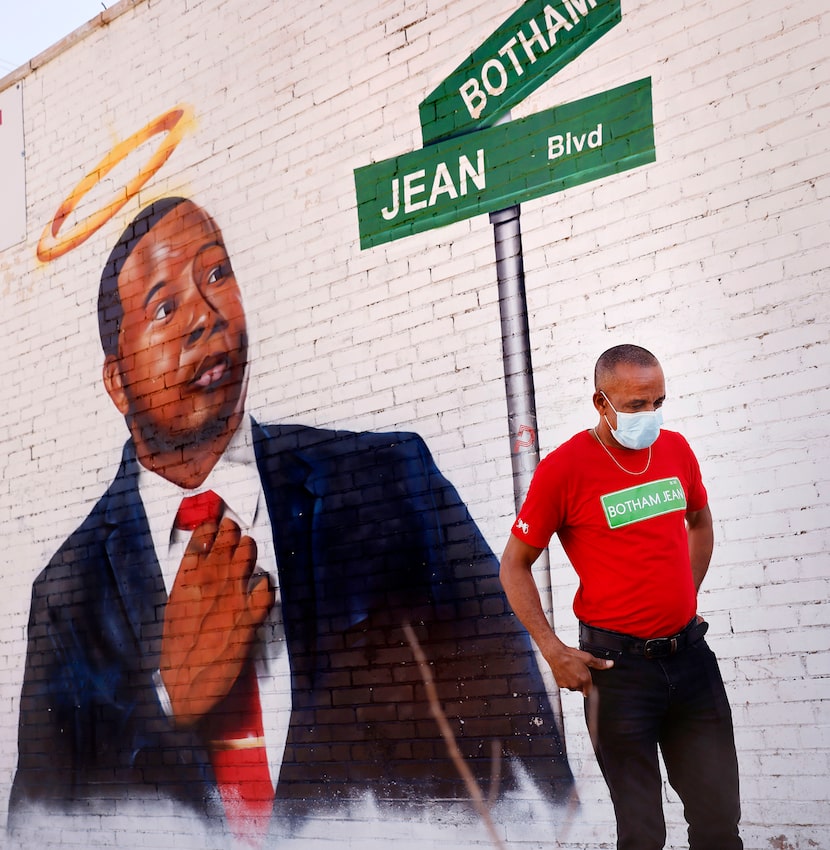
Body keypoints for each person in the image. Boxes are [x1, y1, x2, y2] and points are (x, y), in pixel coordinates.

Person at [10, 197, 572, 841]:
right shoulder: (66, 594)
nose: (204, 314)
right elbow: (43, 826)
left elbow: (523, 735)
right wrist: (168, 701)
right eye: (164, 307)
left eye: (217, 274)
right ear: (117, 382)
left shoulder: (393, 481)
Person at [499, 344, 742, 850]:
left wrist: (682, 595)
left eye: (657, 402)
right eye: (635, 406)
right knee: (642, 832)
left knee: (719, 820)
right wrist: (552, 649)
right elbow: (514, 565)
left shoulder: (676, 449)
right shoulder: (563, 469)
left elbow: (699, 521)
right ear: (601, 404)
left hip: (691, 661)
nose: (648, 416)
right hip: (619, 673)